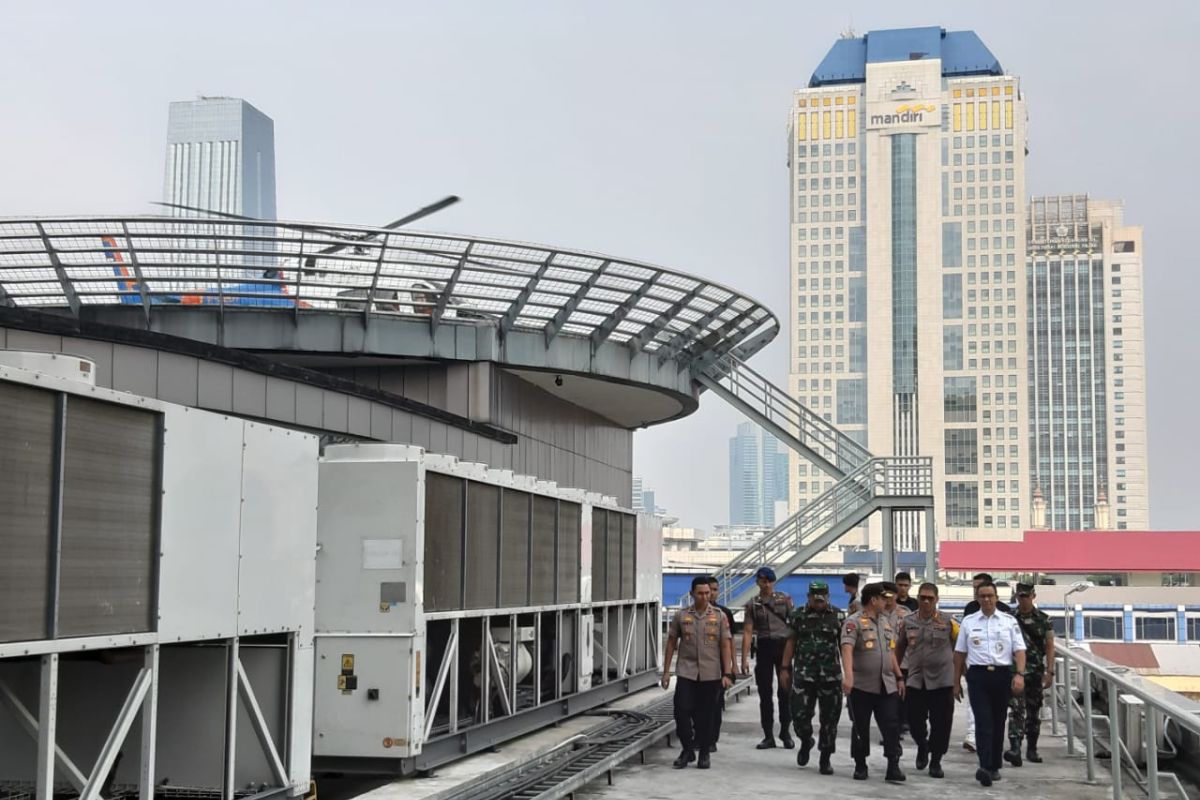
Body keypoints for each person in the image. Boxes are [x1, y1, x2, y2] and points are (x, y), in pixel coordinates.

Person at [953, 580, 1027, 787]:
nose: (986, 599)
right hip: (977, 676)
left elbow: (1020, 650)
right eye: (982, 596)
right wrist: (955, 681)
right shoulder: (968, 622)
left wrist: (1019, 674)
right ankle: (984, 766)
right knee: (983, 722)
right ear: (977, 598)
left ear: (996, 598)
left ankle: (994, 765)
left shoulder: (1008, 621)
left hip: (1002, 676)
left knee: (997, 721)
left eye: (990, 596)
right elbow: (959, 654)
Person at [662, 576, 734, 769]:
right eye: (700, 593)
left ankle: (703, 752)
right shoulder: (682, 615)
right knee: (681, 710)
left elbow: (726, 645)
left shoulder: (719, 616)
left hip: (711, 673)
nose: (704, 597)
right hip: (687, 671)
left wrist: (727, 673)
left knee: (706, 715)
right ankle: (687, 749)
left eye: (707, 593)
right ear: (692, 593)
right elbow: (671, 643)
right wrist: (666, 671)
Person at [841, 582, 906, 783]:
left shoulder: (885, 621)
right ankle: (861, 764)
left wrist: (899, 676)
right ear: (873, 600)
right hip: (862, 684)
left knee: (891, 725)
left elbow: (891, 652)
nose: (887, 601)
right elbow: (847, 648)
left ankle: (893, 765)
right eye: (883, 598)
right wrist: (849, 676)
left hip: (886, 684)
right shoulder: (854, 622)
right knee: (860, 725)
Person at [895, 582, 958, 779]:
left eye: (930, 598)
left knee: (941, 724)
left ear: (937, 600)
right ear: (918, 598)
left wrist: (958, 679)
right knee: (914, 722)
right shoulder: (908, 621)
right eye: (922, 597)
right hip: (916, 680)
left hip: (942, 680)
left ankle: (936, 760)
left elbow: (960, 651)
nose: (926, 601)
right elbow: (899, 649)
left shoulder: (949, 622)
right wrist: (896, 675)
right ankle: (923, 745)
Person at [780, 581, 843, 775]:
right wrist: (784, 668)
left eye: (822, 599)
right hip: (804, 676)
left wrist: (850, 673)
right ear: (809, 597)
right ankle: (806, 740)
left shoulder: (838, 616)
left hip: (830, 677)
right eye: (815, 599)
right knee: (799, 716)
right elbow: (791, 642)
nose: (819, 602)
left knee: (830, 720)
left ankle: (825, 757)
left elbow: (844, 645)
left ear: (828, 597)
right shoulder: (797, 616)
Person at [741, 566, 795, 749]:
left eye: (767, 580)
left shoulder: (784, 599)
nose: (764, 584)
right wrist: (743, 659)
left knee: (785, 693)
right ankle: (768, 735)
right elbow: (748, 631)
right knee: (765, 694)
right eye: (761, 580)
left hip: (783, 647)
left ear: (772, 581)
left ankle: (786, 732)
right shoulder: (753, 604)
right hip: (764, 647)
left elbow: (793, 625)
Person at [961, 572, 1012, 753]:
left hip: (1001, 670)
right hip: (976, 668)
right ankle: (973, 737)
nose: (978, 593)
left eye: (981, 588)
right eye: (975, 589)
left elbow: (1017, 647)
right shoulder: (969, 611)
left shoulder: (1006, 614)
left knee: (997, 718)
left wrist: (1018, 673)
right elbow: (962, 646)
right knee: (977, 710)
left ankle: (993, 759)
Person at [1004, 583, 1055, 766]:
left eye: (1026, 596)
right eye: (1020, 596)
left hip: (1035, 673)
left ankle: (1031, 749)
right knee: (1016, 710)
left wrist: (1050, 671)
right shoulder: (1009, 618)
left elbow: (1050, 647)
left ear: (1033, 596)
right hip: (1016, 672)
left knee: (1033, 712)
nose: (1023, 599)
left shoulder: (1044, 619)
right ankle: (1015, 748)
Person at [708, 575, 736, 753]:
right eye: (709, 589)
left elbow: (730, 641)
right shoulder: (688, 613)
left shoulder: (724, 614)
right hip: (698, 667)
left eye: (715, 589)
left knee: (715, 705)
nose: (711, 593)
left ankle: (711, 739)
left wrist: (733, 666)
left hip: (718, 667)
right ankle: (700, 736)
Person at [881, 582, 911, 738]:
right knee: (888, 698)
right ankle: (892, 729)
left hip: (904, 661)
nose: (887, 599)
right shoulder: (877, 614)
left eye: (890, 595)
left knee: (902, 696)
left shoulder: (905, 613)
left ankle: (901, 724)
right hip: (884, 662)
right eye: (884, 595)